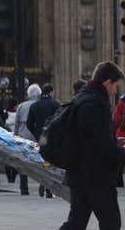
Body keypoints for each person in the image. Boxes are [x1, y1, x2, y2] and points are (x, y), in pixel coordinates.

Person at [60, 61, 125, 230]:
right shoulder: (97, 104)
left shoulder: (82, 97)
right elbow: (102, 148)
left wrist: (113, 140)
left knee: (75, 223)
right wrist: (121, 152)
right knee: (111, 223)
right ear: (107, 82)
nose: (115, 91)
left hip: (78, 173)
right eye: (115, 86)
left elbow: (89, 137)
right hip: (97, 177)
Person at [13, 84, 41, 195]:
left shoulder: (21, 106)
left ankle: (24, 188)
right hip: (35, 135)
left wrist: (15, 135)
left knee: (23, 162)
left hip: (23, 134)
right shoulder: (39, 105)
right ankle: (41, 186)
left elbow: (17, 122)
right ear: (38, 94)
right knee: (38, 161)